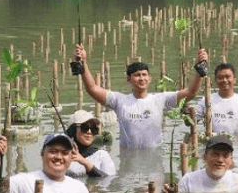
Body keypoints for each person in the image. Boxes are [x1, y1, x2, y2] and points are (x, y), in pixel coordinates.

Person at [75, 43, 208, 149]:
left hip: (154, 160)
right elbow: (92, 89)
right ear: (129, 79)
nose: (141, 78)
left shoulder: (160, 100)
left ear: (149, 78)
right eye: (137, 75)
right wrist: (84, 63)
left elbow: (190, 93)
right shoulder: (119, 100)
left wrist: (199, 70)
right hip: (128, 161)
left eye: (144, 75)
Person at [162, 135, 238, 193]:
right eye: (215, 154)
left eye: (225, 155)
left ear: (231, 160)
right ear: (205, 157)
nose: (220, 160)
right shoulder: (188, 181)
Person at [195, 63, 238, 136]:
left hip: (237, 144)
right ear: (216, 80)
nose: (224, 80)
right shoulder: (206, 101)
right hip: (213, 143)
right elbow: (192, 121)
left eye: (227, 77)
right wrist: (187, 111)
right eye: (220, 77)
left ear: (234, 79)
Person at [64, 110, 116, 178]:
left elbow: (109, 179)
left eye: (93, 129)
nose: (89, 132)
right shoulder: (63, 156)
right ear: (73, 131)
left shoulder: (102, 156)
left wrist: (86, 164)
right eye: (84, 128)